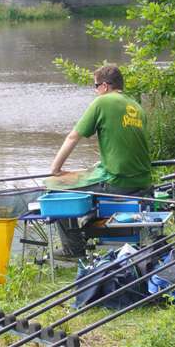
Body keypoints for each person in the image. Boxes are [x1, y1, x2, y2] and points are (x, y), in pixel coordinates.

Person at [49, 65, 152, 259]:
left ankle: (73, 249)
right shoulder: (136, 106)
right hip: (144, 181)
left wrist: (55, 169)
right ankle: (89, 226)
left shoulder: (102, 102)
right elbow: (126, 144)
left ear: (105, 86)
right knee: (90, 178)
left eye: (96, 86)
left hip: (119, 182)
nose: (95, 90)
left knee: (56, 190)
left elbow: (73, 137)